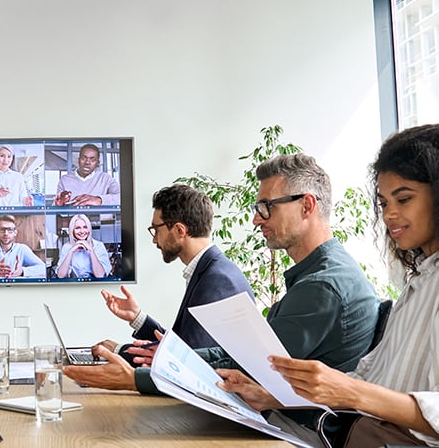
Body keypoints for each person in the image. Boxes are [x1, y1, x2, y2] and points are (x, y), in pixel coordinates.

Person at [64, 155, 378, 406]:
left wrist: (135, 373)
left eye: (265, 207)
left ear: (307, 205)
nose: (256, 218)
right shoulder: (315, 276)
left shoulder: (322, 285)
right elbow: (238, 355)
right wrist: (159, 353)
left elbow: (252, 366)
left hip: (293, 430)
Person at [219, 124, 439, 447]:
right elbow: (366, 379)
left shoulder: (327, 284)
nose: (390, 214)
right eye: (383, 203)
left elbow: (360, 390)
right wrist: (273, 397)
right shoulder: (419, 279)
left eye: (403, 199)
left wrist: (349, 391)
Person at [64, 184, 253, 383]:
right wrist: (137, 318)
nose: (155, 240)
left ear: (180, 230)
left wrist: (119, 351)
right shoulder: (210, 269)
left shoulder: (217, 279)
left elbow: (187, 362)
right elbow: (182, 348)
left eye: (156, 230)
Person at [0, 215, 45, 279]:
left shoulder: (22, 249)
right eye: (2, 230)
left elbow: (43, 268)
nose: (6, 233)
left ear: (15, 233)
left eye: (10, 230)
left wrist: (22, 271)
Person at [53, 144, 121, 206]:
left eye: (92, 160)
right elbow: (56, 204)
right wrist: (58, 205)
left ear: (98, 163)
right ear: (78, 160)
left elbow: (122, 198)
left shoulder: (106, 178)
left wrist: (99, 200)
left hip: (97, 219)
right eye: (83, 158)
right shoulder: (65, 179)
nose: (87, 162)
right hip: (71, 219)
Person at [55, 214, 112, 278]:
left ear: (89, 229)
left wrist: (91, 250)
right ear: (72, 230)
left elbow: (100, 275)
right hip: (75, 285)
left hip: (95, 285)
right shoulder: (66, 247)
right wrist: (71, 252)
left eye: (85, 227)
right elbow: (60, 276)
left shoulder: (98, 246)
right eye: (77, 228)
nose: (82, 231)